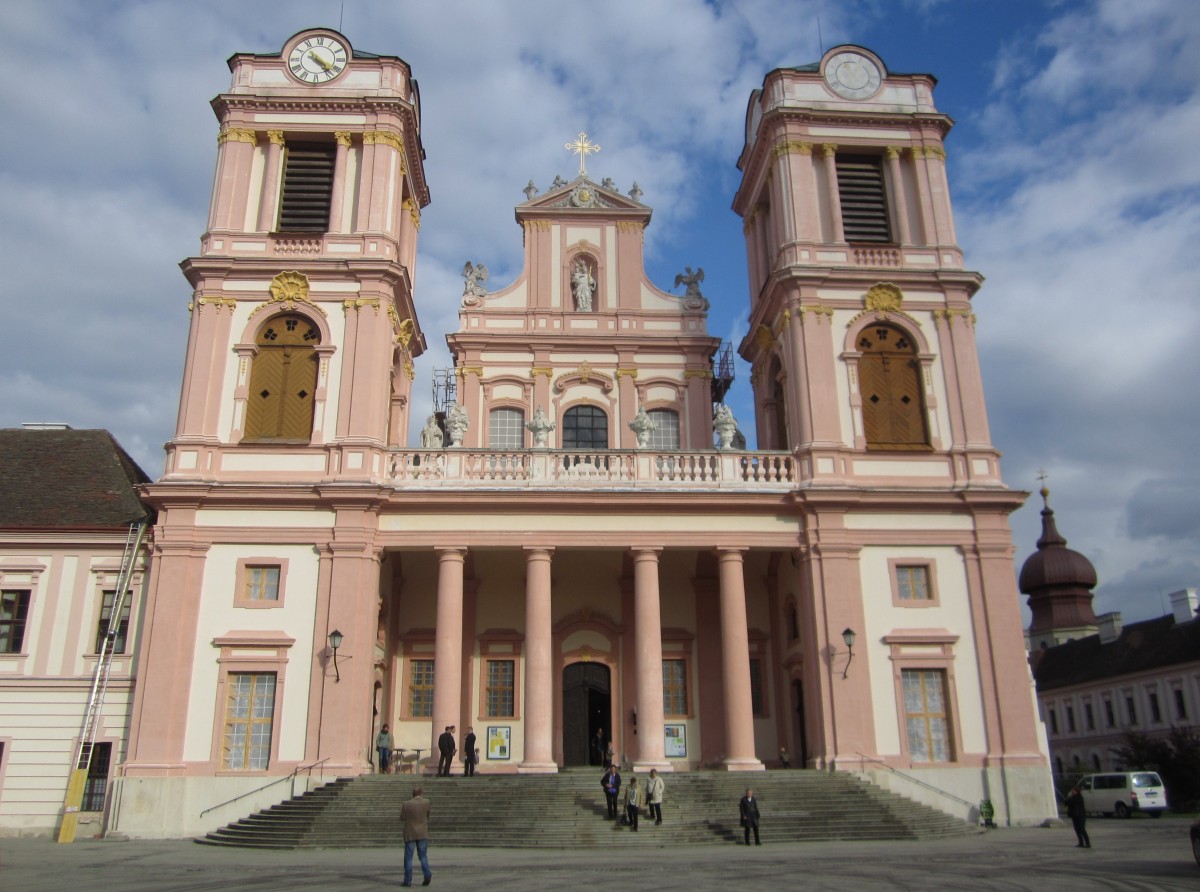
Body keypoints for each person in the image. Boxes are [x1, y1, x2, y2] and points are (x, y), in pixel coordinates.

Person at [401, 785, 432, 887]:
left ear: (413, 794)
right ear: (421, 794)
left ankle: (408, 881)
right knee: (423, 856)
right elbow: (428, 815)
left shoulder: (406, 804)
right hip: (422, 832)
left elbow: (402, 817)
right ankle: (427, 875)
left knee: (408, 858)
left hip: (410, 832)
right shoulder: (426, 802)